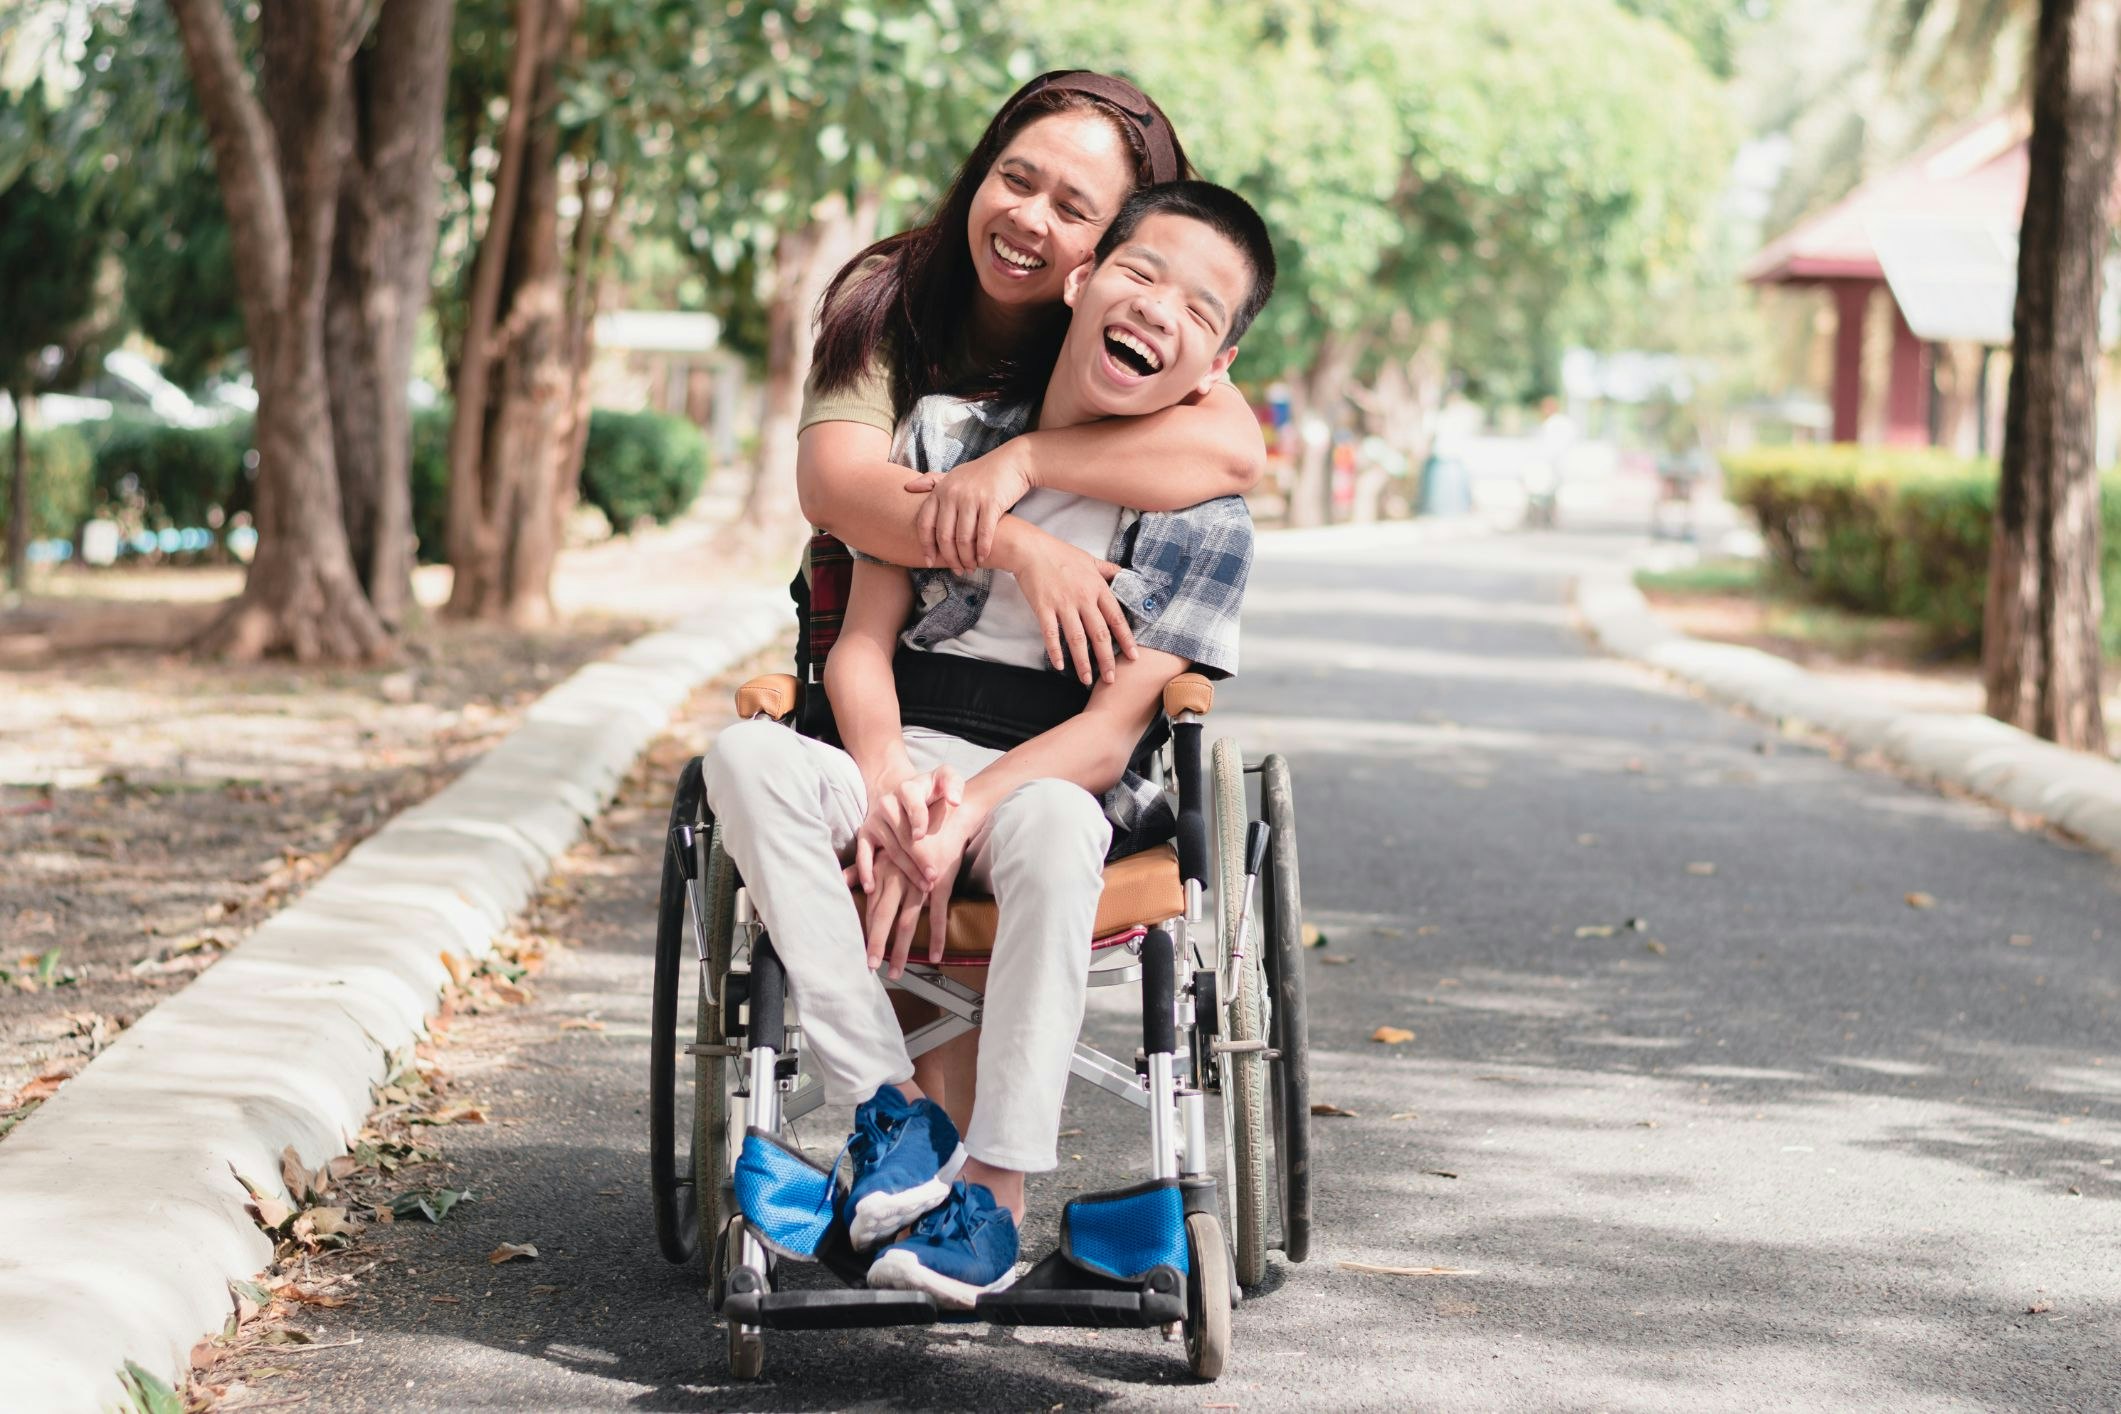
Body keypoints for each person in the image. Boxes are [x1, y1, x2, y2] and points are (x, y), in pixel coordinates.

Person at [705, 181, 1276, 1307]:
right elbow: (860, 649)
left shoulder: (1205, 521)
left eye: (1201, 310)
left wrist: (967, 807)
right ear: (1081, 281)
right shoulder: (943, 434)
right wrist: (886, 783)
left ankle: (997, 1198)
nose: (1160, 308)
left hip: (1042, 783)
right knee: (743, 759)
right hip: (897, 752)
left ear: (1213, 372)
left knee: (1064, 823)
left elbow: (1113, 736)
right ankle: (891, 1112)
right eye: (1141, 272)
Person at [793, 69, 1268, 1124]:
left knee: (1008, 822)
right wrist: (1018, 546)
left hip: (1045, 732)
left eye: (1073, 209)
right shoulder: (890, 302)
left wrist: (1027, 464)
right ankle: (912, 1129)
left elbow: (1235, 447)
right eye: (1016, 180)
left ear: (1104, 247)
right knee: (814, 777)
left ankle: (948, 1156)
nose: (1029, 222)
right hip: (903, 657)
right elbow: (840, 492)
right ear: (981, 169)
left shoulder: (1136, 318)